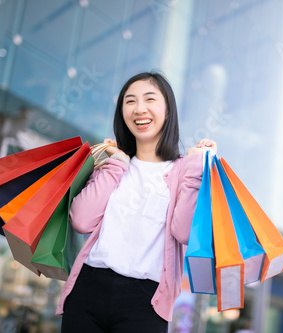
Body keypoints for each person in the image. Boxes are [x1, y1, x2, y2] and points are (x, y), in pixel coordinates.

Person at [57, 72, 217, 332]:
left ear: (168, 110)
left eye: (149, 99)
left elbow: (184, 232)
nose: (139, 109)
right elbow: (81, 220)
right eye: (130, 101)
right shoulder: (114, 165)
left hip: (146, 301)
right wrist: (117, 164)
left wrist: (196, 166)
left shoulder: (183, 171)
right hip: (88, 288)